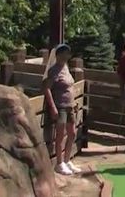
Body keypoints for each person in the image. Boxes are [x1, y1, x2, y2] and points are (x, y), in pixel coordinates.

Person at [42, 43, 82, 175]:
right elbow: (47, 88)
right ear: (58, 55)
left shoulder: (66, 68)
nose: (66, 56)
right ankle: (59, 163)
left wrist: (74, 102)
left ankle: (67, 160)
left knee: (72, 133)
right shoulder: (53, 70)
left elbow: (70, 86)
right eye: (63, 53)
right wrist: (52, 107)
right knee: (59, 136)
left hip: (70, 106)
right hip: (60, 106)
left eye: (68, 53)